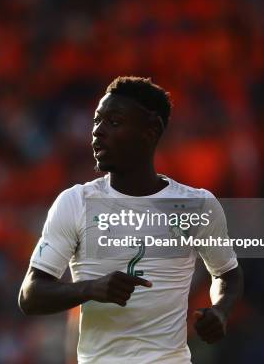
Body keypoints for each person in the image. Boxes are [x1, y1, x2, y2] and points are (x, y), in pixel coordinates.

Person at [18, 76, 244, 363]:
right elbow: (30, 295)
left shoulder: (196, 205)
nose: (98, 132)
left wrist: (221, 310)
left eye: (114, 122)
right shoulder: (74, 203)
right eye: (97, 121)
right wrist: (90, 288)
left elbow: (227, 274)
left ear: (151, 131)